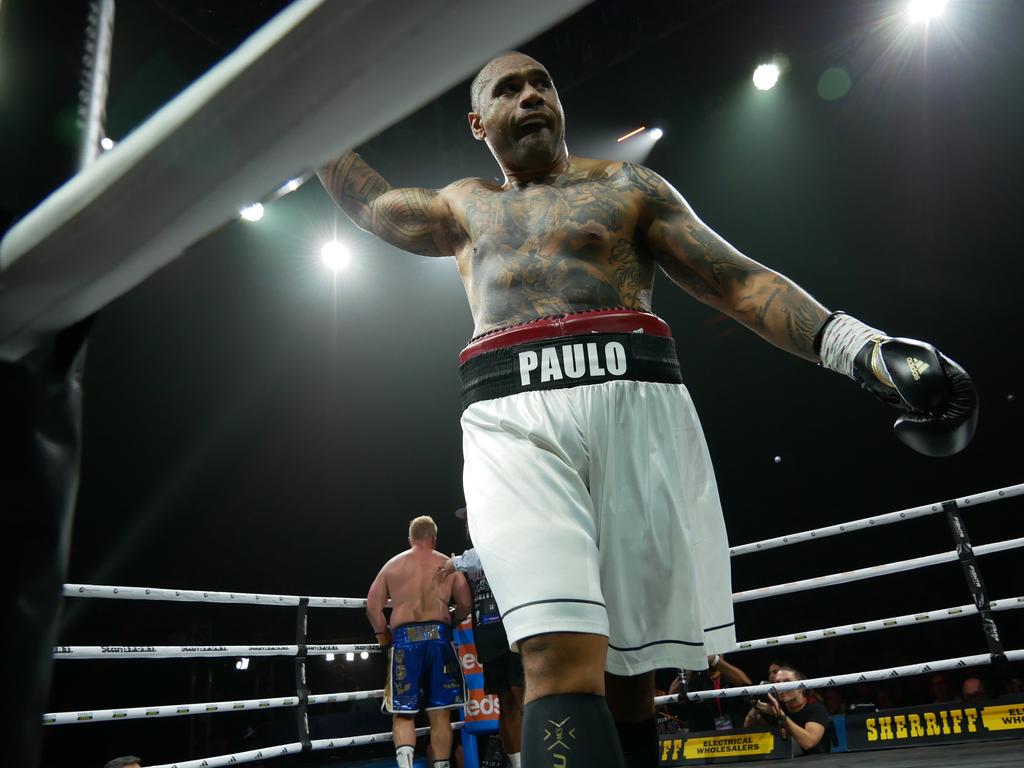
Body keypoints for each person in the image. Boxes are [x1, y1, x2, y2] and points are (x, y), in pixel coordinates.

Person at [319, 50, 977, 768]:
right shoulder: (463, 205)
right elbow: (372, 205)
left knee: (633, 680)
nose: (532, 95)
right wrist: (309, 126)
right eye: (509, 89)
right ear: (479, 123)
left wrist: (862, 348)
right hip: (511, 417)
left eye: (542, 83)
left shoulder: (629, 187)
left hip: (636, 402)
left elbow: (739, 283)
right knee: (552, 654)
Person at [367, 515, 472, 768]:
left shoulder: (392, 565)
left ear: (410, 539)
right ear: (434, 538)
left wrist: (385, 638)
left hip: (405, 641)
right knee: (440, 714)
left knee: (403, 714)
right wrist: (453, 620)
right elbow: (466, 604)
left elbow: (373, 607)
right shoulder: (448, 564)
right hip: (440, 638)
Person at [437, 508, 524, 768]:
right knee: (505, 702)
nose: (467, 524)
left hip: (515, 629)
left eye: (470, 518)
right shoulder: (470, 556)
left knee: (525, 697)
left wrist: (456, 563)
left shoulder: (502, 539)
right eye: (466, 520)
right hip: (488, 635)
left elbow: (490, 553)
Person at [747, 666, 831, 756]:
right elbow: (748, 734)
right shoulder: (776, 706)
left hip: (817, 761)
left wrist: (780, 714)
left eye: (787, 682)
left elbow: (808, 743)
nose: (782, 687)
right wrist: (755, 708)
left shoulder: (816, 709)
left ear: (800, 687)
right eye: (778, 683)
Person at [668, 654, 751, 732]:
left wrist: (715, 660)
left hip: (735, 736)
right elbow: (672, 698)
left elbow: (747, 685)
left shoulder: (732, 677)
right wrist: (691, 666)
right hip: (703, 739)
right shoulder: (695, 680)